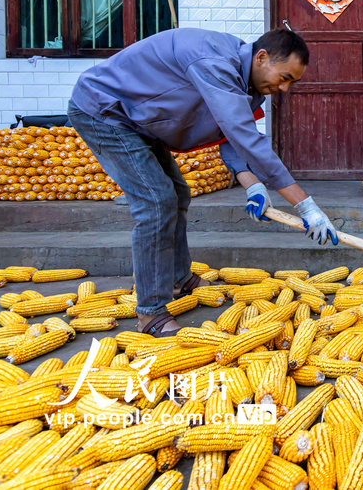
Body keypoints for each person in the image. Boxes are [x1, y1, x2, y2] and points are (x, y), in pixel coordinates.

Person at [68, 27, 339, 337]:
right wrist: (306, 206)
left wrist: (253, 185)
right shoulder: (213, 62)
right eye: (286, 77)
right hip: (105, 110)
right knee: (157, 202)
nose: (285, 89)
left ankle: (178, 278)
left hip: (140, 120)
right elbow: (247, 139)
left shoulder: (248, 85)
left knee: (178, 194)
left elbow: (229, 136)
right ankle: (151, 313)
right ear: (262, 57)